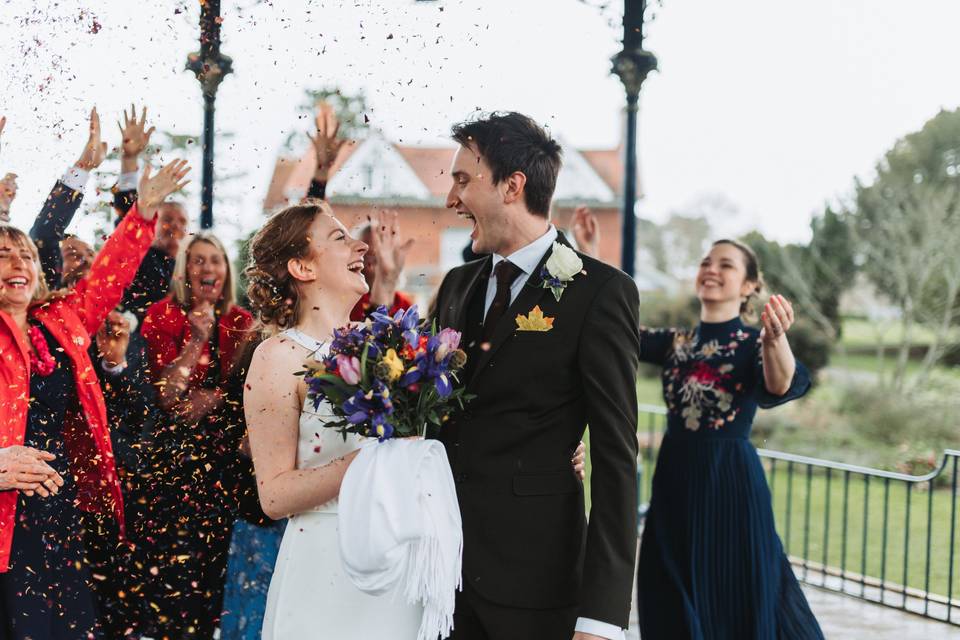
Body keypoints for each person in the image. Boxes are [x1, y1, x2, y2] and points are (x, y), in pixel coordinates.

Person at [242, 200, 589, 639]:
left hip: (403, 567)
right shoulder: (277, 358)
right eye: (339, 238)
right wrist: (370, 464)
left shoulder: (382, 347)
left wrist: (548, 445)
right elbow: (273, 496)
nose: (360, 247)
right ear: (301, 267)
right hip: (327, 563)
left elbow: (446, 429)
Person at [431, 111, 640, 640]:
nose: (451, 200)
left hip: (536, 589)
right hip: (440, 579)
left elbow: (616, 458)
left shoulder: (600, 292)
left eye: (462, 180)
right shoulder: (456, 286)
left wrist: (602, 617)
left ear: (512, 186)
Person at [0, 147, 190, 639]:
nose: (18, 260)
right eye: (3, 253)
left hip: (54, 519)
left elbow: (110, 276)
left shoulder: (59, 321)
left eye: (24, 253)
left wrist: (142, 211)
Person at [635, 239, 824, 639]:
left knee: (734, 598)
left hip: (729, 486)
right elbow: (615, 331)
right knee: (667, 592)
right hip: (674, 485)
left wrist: (775, 339)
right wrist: (592, 253)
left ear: (749, 286)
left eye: (726, 265)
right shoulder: (675, 343)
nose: (711, 269)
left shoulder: (757, 343)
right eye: (706, 261)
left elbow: (781, 382)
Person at [140, 232, 254, 639]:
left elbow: (243, 391)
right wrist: (196, 340)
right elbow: (169, 397)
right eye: (198, 261)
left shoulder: (242, 321)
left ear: (227, 269)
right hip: (172, 465)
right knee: (172, 570)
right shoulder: (161, 316)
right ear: (184, 271)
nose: (208, 268)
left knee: (216, 573)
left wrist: (214, 397)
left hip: (224, 466)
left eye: (216, 260)